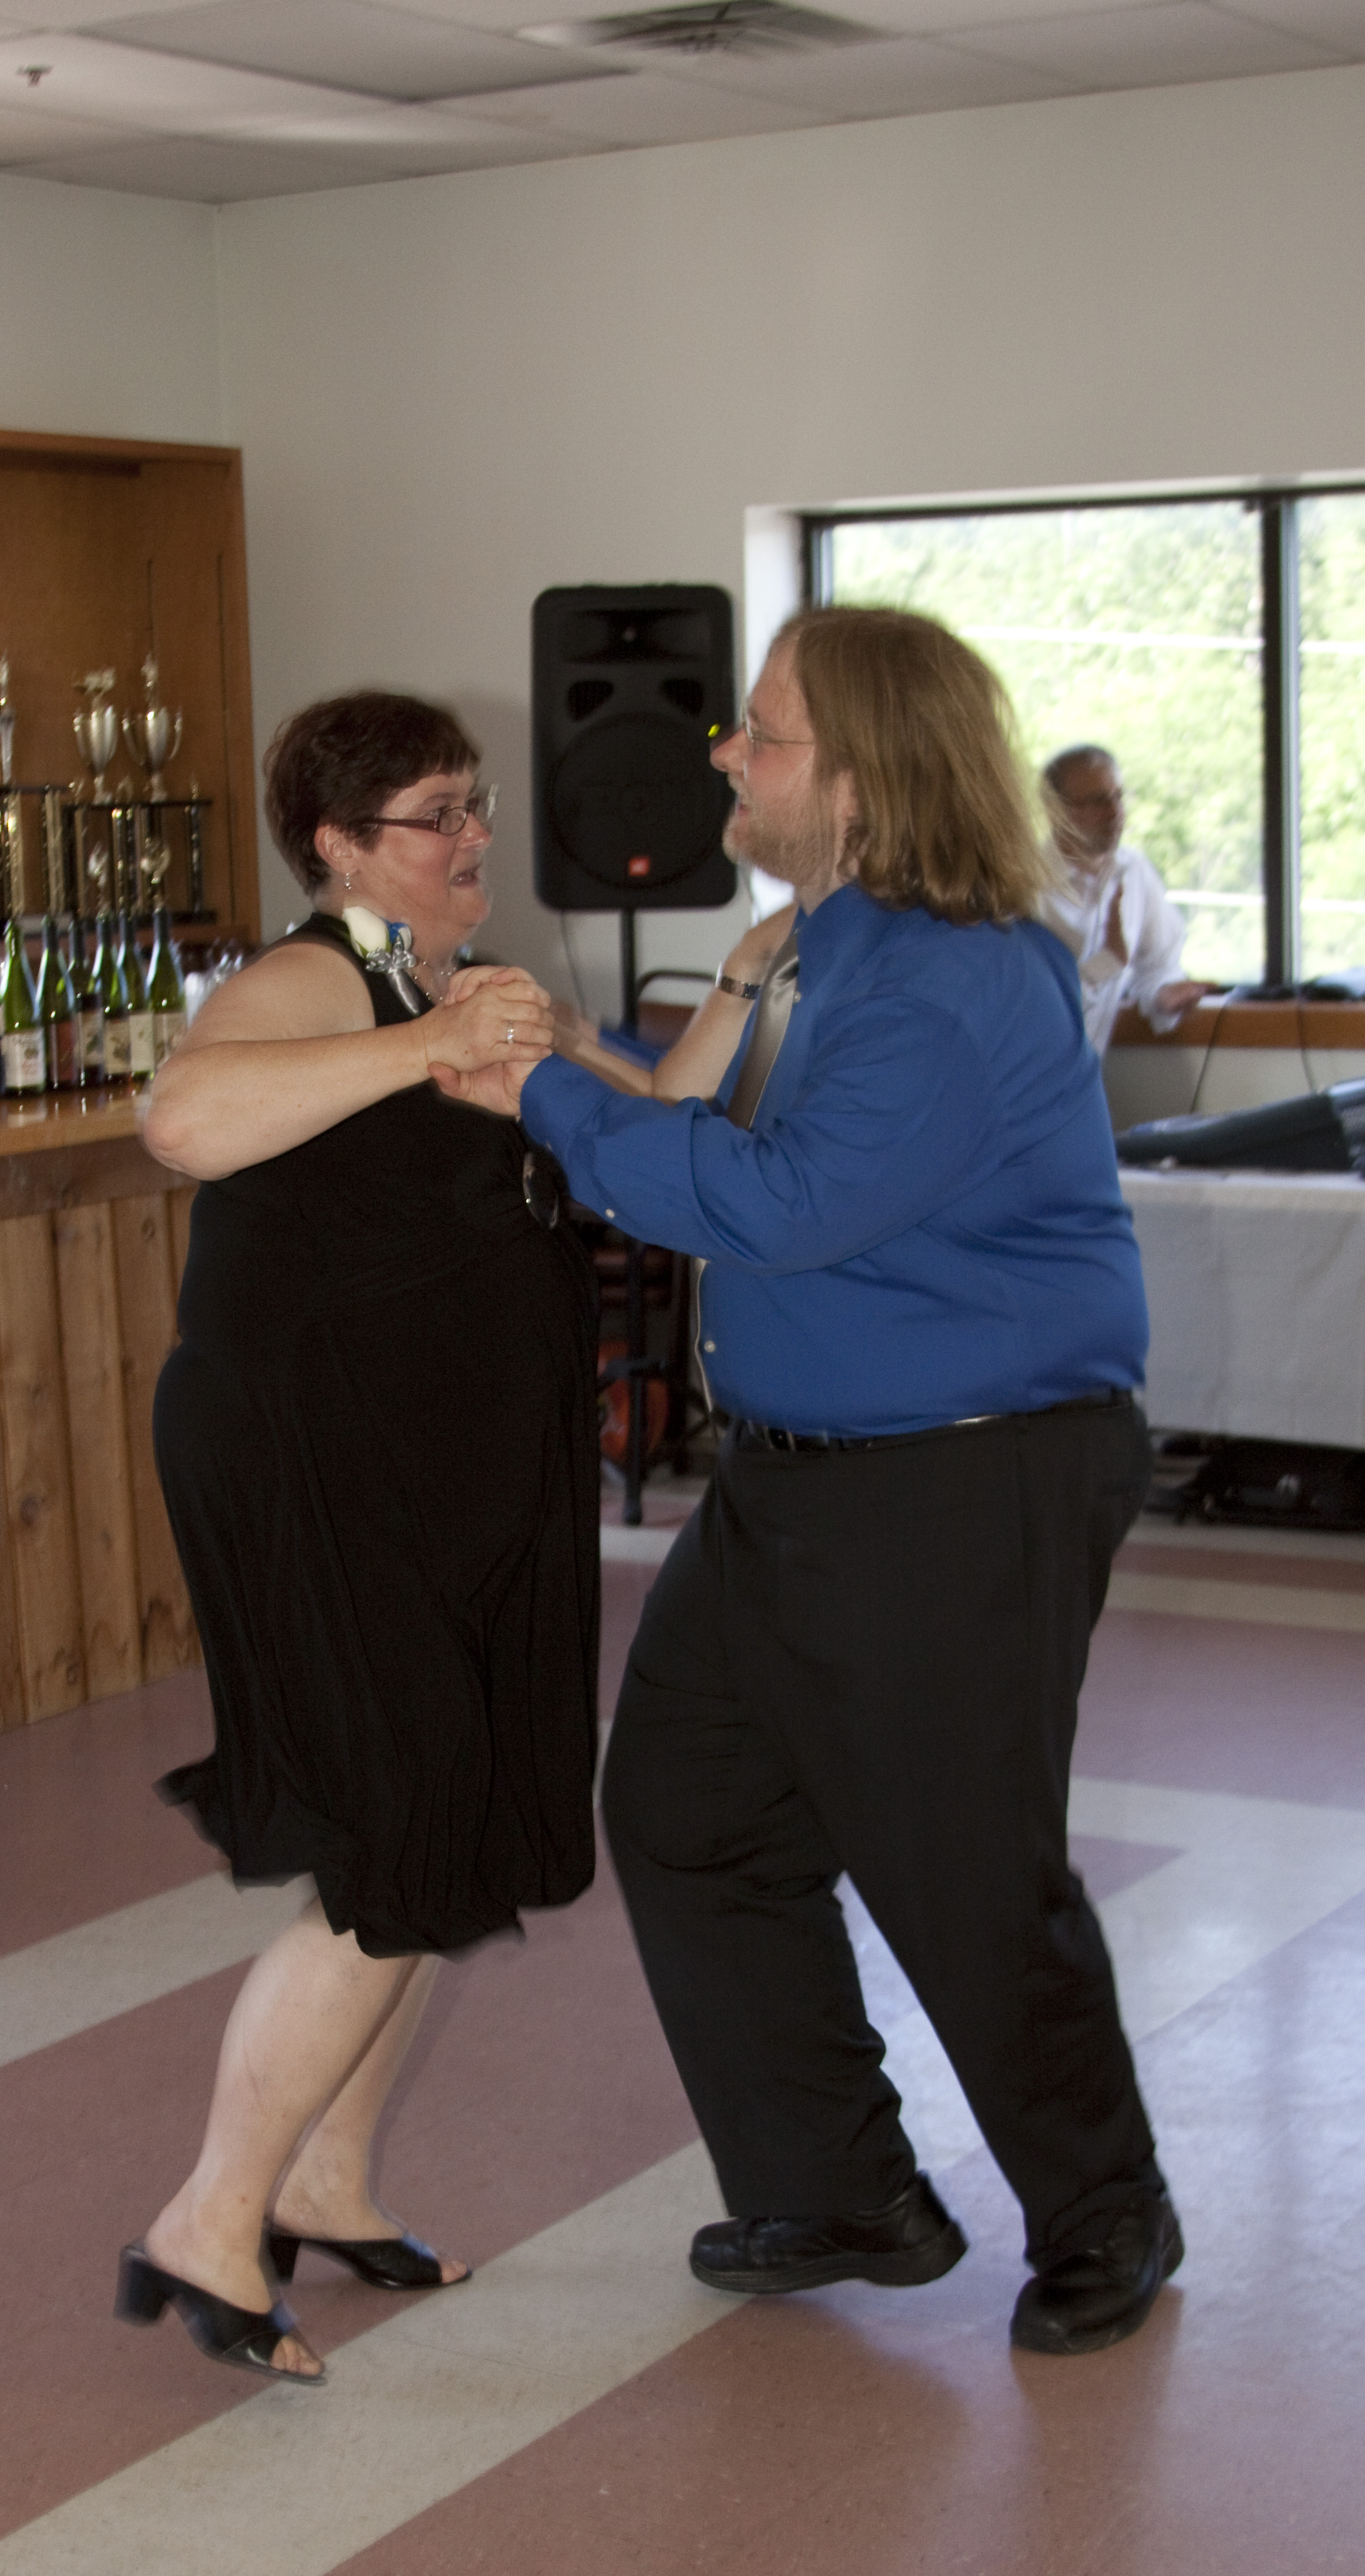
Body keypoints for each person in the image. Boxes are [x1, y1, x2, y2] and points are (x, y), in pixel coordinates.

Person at [435, 606, 1181, 2359]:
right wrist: (566, 1069)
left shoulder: (947, 981)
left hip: (958, 1480)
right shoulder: (833, 949)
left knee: (963, 1864)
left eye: (760, 733)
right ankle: (842, 2186)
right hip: (805, 1477)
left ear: (857, 780)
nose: (724, 753)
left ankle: (1106, 2211)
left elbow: (772, 1203)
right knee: (686, 1807)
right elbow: (717, 1136)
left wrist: (538, 1092)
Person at [118, 691, 600, 2385]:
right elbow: (181, 1122)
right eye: (433, 815)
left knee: (442, 1822)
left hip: (443, 1461)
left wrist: (757, 983)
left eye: (475, 807)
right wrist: (429, 1044)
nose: (473, 839)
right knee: (396, 1821)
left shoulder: (459, 982)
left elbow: (639, 1117)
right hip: (312, 1463)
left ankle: (324, 2178)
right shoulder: (318, 978)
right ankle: (210, 2217)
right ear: (338, 845)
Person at [1040, 745, 1213, 1055]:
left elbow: (1158, 964)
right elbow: (1034, 1012)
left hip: (1088, 1073)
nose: (1116, 812)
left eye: (1118, 797)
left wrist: (1163, 995)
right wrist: (1107, 963)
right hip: (1025, 1075)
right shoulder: (1022, 889)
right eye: (1098, 802)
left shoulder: (1134, 871)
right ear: (1055, 810)